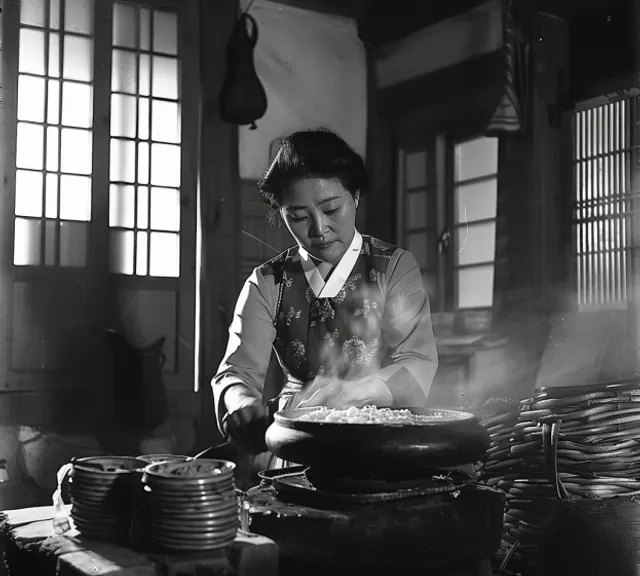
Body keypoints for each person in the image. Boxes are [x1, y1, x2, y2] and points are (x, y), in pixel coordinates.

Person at [212, 128, 438, 467]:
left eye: (332, 209)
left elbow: (416, 362)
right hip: (296, 437)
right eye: (299, 217)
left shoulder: (393, 266)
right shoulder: (268, 281)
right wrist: (240, 401)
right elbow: (237, 372)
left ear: (356, 196)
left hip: (378, 436)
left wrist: (355, 392)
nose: (319, 230)